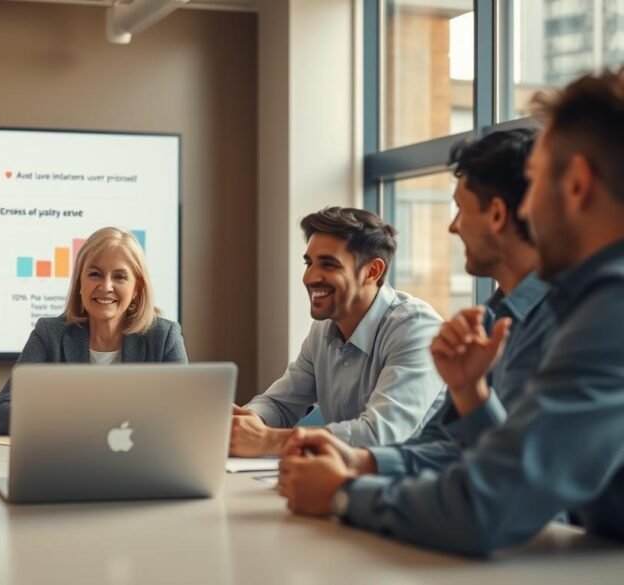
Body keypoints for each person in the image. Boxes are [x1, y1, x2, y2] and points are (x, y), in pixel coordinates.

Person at [279, 68, 624, 556]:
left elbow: (492, 503)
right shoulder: (577, 302)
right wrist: (469, 398)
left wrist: (341, 493)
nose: (528, 207)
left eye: (536, 180)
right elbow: (506, 460)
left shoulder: (610, 311)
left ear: (577, 185)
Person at [280, 129, 556, 479]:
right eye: (309, 263)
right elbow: (447, 446)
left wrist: (348, 494)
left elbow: (514, 483)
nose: (452, 227)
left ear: (498, 214)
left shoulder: (564, 322)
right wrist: (358, 465)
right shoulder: (488, 321)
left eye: (460, 209)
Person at [230, 207, 445, 454]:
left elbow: (380, 435)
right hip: (350, 480)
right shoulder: (323, 330)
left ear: (372, 271)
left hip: (418, 486)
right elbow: (279, 404)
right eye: (309, 263)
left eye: (329, 265)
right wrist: (250, 420)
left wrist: (268, 440)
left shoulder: (417, 328)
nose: (310, 277)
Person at [0, 227, 187, 435]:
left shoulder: (164, 337)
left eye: (119, 277)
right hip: (70, 460)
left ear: (136, 289)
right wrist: (75, 417)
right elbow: (0, 415)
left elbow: (186, 415)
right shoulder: (49, 335)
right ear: (80, 283)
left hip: (141, 461)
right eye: (95, 274)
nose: (106, 286)